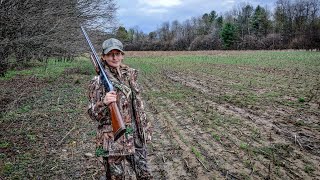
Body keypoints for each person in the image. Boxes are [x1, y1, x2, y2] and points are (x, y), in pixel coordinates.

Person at [87, 38, 152, 179]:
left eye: (118, 53)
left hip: (135, 138)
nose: (115, 57)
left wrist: (144, 131)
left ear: (122, 55)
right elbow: (92, 113)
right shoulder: (97, 82)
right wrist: (103, 103)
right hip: (113, 142)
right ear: (103, 57)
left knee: (146, 175)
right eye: (110, 54)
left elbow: (137, 107)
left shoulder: (130, 76)